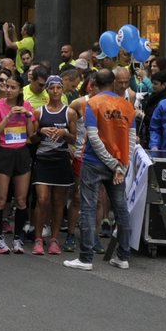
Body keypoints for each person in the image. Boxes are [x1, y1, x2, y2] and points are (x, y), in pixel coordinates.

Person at [66, 68, 135, 272]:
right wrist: (122, 164)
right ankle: (123, 256)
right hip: (119, 164)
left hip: (94, 162)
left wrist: (113, 163)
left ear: (95, 82)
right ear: (114, 83)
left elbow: (93, 138)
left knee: (88, 207)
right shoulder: (127, 105)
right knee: (121, 209)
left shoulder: (92, 104)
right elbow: (131, 138)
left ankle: (86, 258)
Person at [0, 74, 37, 254]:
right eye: (6, 86)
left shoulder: (26, 105)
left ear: (20, 90)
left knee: (22, 199)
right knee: (0, 199)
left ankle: (17, 239)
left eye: (12, 87)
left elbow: (31, 134)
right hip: (4, 152)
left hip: (22, 153)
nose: (8, 90)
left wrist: (28, 115)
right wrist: (8, 116)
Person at [31, 74, 75, 256]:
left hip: (61, 160)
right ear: (47, 90)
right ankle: (38, 238)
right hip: (43, 159)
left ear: (62, 90)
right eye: (52, 88)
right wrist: (41, 130)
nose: (55, 91)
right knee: (42, 199)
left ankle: (55, 239)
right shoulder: (39, 112)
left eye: (58, 88)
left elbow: (75, 138)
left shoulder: (69, 112)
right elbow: (31, 138)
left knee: (58, 202)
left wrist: (64, 132)